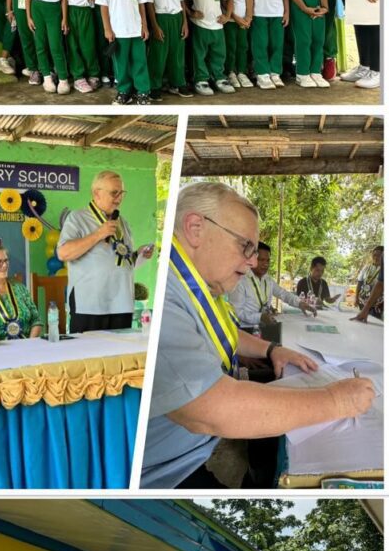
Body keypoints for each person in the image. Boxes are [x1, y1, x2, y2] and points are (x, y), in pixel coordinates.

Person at [140, 182, 374, 489]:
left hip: (189, 451)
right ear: (195, 228)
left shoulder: (198, 286)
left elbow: (223, 332)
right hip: (164, 473)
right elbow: (212, 410)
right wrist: (336, 401)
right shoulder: (167, 297)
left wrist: (271, 350)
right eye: (245, 246)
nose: (252, 261)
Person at [57, 170, 154, 333]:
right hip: (90, 304)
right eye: (114, 193)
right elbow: (63, 253)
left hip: (121, 303)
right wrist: (98, 234)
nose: (119, 198)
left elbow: (121, 263)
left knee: (120, 349)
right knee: (87, 349)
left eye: (121, 193)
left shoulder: (123, 223)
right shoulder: (77, 218)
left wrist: (139, 254)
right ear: (97, 193)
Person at [95, 0, 151, 105]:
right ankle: (124, 91)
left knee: (140, 61)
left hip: (136, 30)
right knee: (121, 63)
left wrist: (144, 26)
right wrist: (107, 29)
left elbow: (141, 3)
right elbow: (103, 7)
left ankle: (142, 91)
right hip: (118, 31)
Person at [228, 243, 314, 331]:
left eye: (268, 260)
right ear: (252, 259)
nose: (265, 264)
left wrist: (300, 303)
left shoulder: (267, 279)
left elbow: (283, 293)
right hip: (244, 329)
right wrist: (260, 317)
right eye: (261, 260)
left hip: (264, 326)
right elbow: (236, 312)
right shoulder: (240, 280)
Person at [356, 246, 384, 320]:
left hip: (376, 304)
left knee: (372, 321)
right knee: (359, 320)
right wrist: (356, 298)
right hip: (362, 301)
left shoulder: (384, 270)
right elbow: (359, 282)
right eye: (374, 255)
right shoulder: (366, 267)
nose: (376, 257)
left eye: (379, 255)